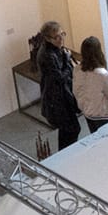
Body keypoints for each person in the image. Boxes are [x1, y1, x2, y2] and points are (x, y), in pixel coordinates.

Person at [35, 20, 80, 151]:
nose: (61, 39)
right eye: (57, 37)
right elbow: (59, 78)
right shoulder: (47, 55)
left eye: (62, 34)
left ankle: (67, 155)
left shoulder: (54, 50)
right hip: (57, 101)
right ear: (47, 38)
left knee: (68, 131)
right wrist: (67, 61)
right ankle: (67, 156)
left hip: (62, 97)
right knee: (72, 129)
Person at [73, 36, 108, 133]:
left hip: (88, 114)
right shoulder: (102, 74)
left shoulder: (77, 69)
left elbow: (76, 91)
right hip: (104, 115)